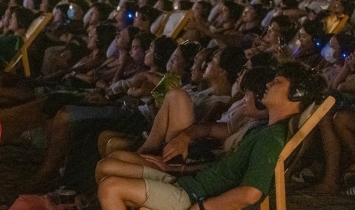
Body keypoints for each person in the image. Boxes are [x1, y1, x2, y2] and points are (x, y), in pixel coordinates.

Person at [95, 62, 324, 210]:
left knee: (111, 187)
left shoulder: (271, 139)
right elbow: (225, 170)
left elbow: (251, 193)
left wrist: (203, 208)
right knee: (108, 169)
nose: (268, 84)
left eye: (277, 82)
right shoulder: (262, 130)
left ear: (296, 95)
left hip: (192, 197)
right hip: (191, 185)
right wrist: (177, 170)